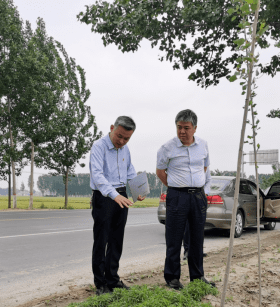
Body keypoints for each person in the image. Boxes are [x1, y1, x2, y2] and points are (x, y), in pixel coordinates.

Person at [156, 109, 213, 290]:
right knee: (174, 239)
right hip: (177, 197)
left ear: (194, 128)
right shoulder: (167, 148)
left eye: (186, 128)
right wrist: (176, 186)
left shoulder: (203, 145)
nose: (182, 131)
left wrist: (197, 186)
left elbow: (204, 167)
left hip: (198, 196)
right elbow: (160, 172)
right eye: (179, 127)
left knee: (197, 239)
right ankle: (172, 279)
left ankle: (197, 277)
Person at [90, 116, 145, 296]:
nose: (121, 141)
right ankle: (100, 283)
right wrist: (114, 195)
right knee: (101, 240)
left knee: (116, 240)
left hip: (122, 195)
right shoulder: (99, 147)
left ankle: (113, 279)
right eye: (119, 136)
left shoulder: (125, 149)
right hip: (104, 196)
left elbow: (130, 171)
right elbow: (98, 176)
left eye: (126, 138)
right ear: (112, 128)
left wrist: (137, 190)